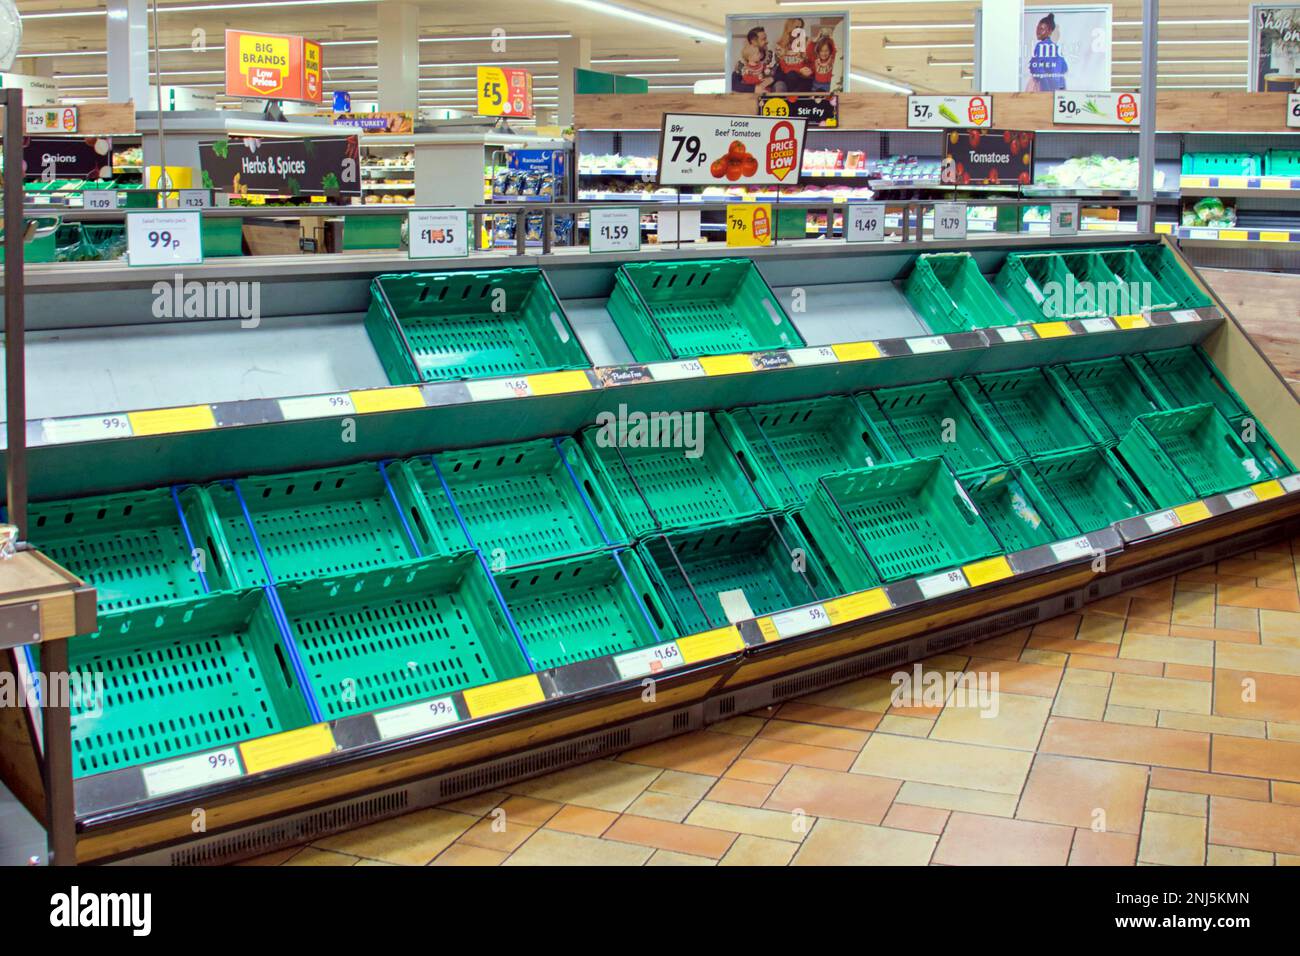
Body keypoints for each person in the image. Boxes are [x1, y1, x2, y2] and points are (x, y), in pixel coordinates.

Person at [1026, 13, 1068, 92]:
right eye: (1037, 28)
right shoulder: (1056, 47)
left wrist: (1045, 81)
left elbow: (1035, 68)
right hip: (1057, 87)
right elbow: (1064, 68)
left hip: (1042, 87)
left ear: (1049, 31)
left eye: (1041, 29)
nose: (1038, 31)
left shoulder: (1041, 46)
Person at [732, 25, 776, 94]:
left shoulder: (771, 56)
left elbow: (781, 74)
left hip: (770, 91)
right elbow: (734, 84)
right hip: (751, 95)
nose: (767, 41)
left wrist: (773, 79)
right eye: (763, 39)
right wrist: (754, 89)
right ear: (753, 42)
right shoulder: (742, 62)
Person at [775, 18, 814, 93]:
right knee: (791, 75)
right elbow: (783, 67)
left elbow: (810, 62)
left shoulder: (807, 41)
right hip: (789, 76)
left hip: (803, 77)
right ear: (789, 27)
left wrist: (807, 70)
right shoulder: (780, 44)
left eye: (801, 27)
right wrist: (798, 70)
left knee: (806, 84)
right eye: (796, 27)